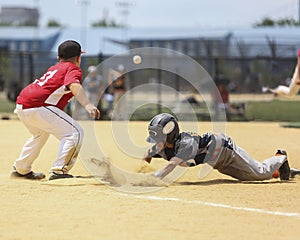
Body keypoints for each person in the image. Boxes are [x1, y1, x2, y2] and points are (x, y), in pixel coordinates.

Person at [11, 40, 100, 181]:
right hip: (38, 106)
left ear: (59, 58)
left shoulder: (54, 68)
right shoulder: (72, 68)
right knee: (74, 133)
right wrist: (88, 104)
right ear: (78, 58)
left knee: (40, 134)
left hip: (22, 104)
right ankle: (60, 171)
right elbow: (74, 85)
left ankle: (21, 169)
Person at [143, 113, 300, 181]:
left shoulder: (185, 144)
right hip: (217, 162)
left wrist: (155, 178)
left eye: (159, 139)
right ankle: (279, 170)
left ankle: (280, 157)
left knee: (259, 173)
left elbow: (172, 164)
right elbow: (151, 152)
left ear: (170, 136)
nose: (156, 143)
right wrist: (146, 158)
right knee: (248, 176)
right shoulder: (164, 146)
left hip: (225, 151)